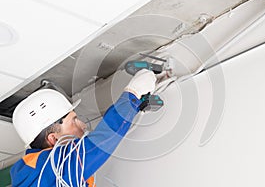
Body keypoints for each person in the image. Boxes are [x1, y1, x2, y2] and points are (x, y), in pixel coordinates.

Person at [10, 69, 157, 187]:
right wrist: (132, 95)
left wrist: (136, 103)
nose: (83, 125)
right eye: (74, 121)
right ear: (53, 138)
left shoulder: (42, 175)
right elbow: (96, 145)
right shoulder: (41, 169)